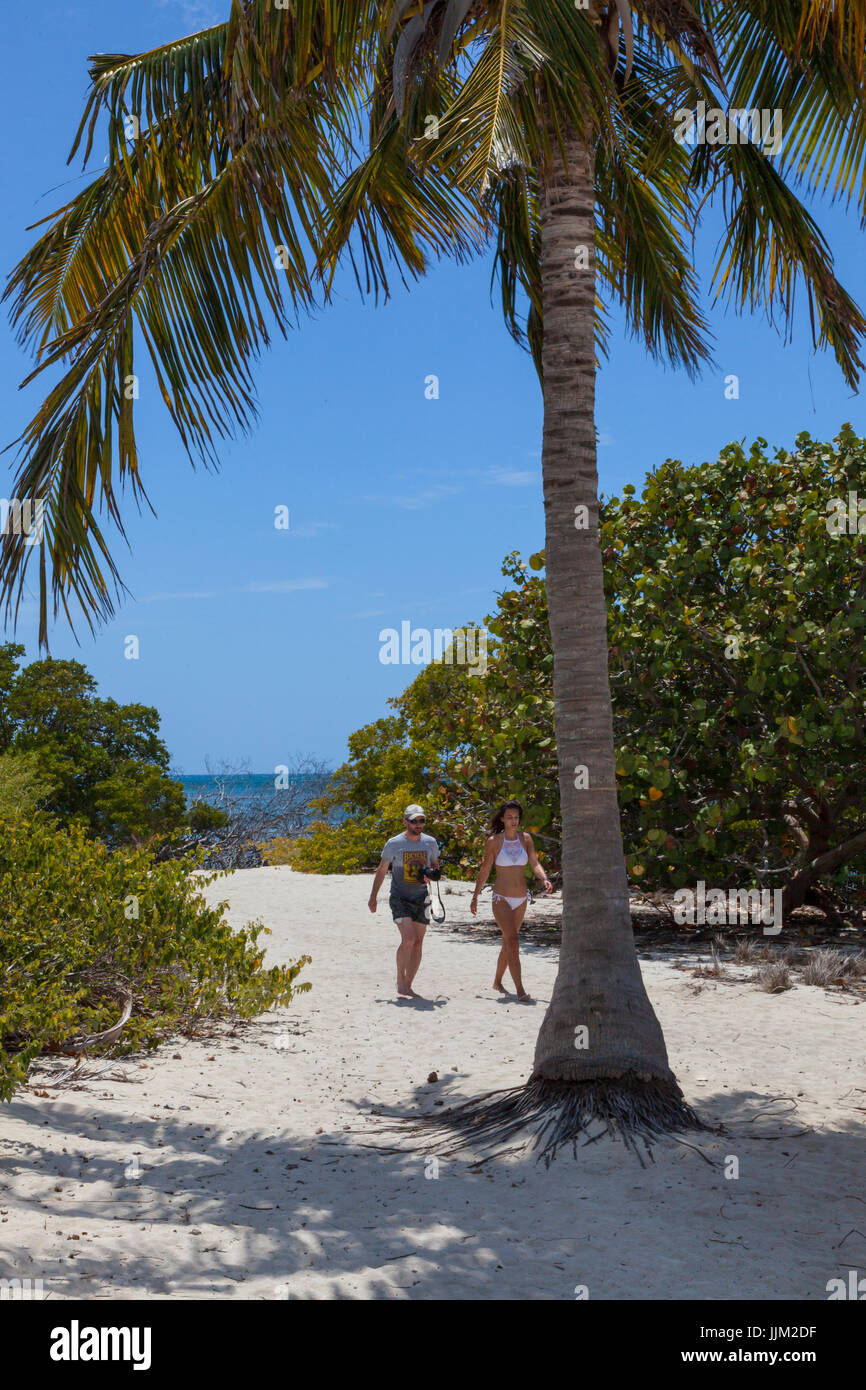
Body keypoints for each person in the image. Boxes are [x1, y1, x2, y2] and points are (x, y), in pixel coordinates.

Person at [470, 799, 553, 1002]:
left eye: (516, 817)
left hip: (521, 898)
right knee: (513, 941)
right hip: (501, 898)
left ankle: (497, 982)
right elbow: (486, 869)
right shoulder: (494, 841)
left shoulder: (525, 839)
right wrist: (475, 896)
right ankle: (520, 990)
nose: (514, 821)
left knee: (508, 942)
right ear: (502, 819)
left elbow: (534, 862)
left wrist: (545, 878)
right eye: (510, 817)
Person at [368, 804, 440, 998]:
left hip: (422, 897)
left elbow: (435, 865)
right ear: (405, 821)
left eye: (422, 820)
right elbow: (382, 869)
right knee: (408, 939)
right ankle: (400, 980)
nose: (419, 824)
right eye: (414, 821)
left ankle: (408, 985)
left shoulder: (430, 842)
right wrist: (373, 897)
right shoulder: (394, 843)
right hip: (400, 897)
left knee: (418, 942)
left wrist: (431, 874)